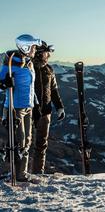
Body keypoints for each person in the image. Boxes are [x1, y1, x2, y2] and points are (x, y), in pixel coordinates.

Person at [0, 34, 42, 182]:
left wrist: (35, 105)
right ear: (26, 47)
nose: (35, 50)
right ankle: (13, 172)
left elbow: (30, 87)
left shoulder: (29, 63)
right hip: (15, 107)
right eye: (33, 47)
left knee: (27, 141)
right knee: (19, 141)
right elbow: (0, 84)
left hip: (28, 107)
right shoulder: (10, 63)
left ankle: (21, 174)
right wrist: (5, 82)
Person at [31, 41, 65, 174]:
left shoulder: (49, 69)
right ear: (39, 53)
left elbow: (54, 90)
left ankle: (38, 172)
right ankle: (20, 172)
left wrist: (59, 107)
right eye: (46, 53)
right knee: (25, 144)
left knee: (41, 144)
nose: (48, 55)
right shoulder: (28, 68)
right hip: (28, 111)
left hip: (46, 111)